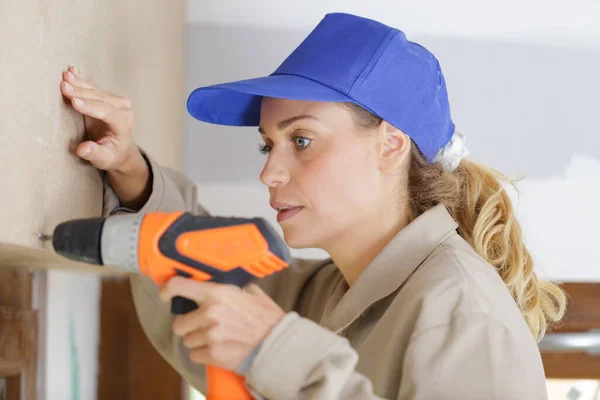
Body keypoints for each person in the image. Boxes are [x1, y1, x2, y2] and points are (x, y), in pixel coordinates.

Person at [60, 12, 566, 400]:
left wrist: (278, 350)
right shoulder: (335, 290)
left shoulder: (462, 314)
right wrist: (128, 169)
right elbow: (206, 274)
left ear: (390, 144)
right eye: (267, 144)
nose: (269, 172)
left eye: (300, 140)